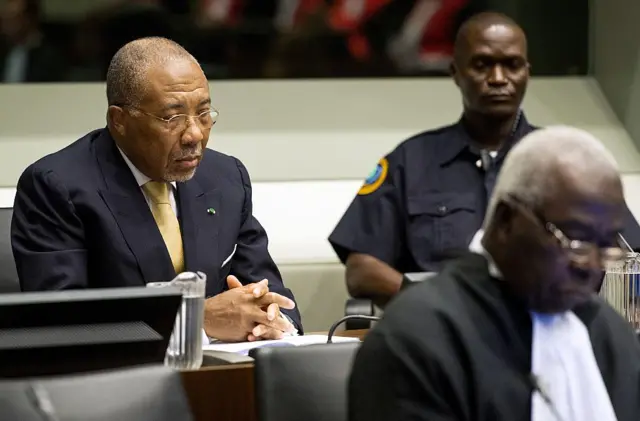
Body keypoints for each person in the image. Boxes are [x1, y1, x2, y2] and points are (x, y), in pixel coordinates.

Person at [328, 12, 640, 308]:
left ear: (527, 73)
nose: (498, 78)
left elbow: (630, 255)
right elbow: (362, 270)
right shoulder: (410, 161)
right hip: (444, 335)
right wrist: (436, 304)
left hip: (552, 324)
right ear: (455, 72)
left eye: (512, 65)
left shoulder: (568, 161)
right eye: (482, 65)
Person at [11, 37, 301, 342]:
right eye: (172, 118)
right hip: (113, 382)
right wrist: (195, 320)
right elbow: (60, 321)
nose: (194, 134)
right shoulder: (58, 186)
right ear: (119, 120)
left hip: (222, 374)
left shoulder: (225, 178)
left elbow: (272, 293)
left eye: (204, 114)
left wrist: (272, 320)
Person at [348, 126, 640, 421]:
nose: (591, 265)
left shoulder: (610, 334)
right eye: (575, 241)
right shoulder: (416, 341)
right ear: (505, 221)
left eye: (606, 246)